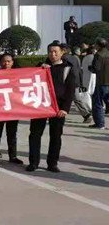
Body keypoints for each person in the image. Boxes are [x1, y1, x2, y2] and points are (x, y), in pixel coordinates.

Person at [28, 42, 76, 173]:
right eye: (50, 51)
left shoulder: (67, 69)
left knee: (55, 135)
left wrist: (65, 108)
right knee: (35, 134)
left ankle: (52, 163)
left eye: (55, 52)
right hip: (41, 105)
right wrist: (40, 69)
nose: (52, 54)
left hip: (58, 107)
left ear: (62, 52)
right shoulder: (41, 66)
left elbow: (70, 90)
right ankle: (33, 162)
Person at [0, 53, 22, 165]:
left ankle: (13, 156)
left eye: (9, 61)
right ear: (0, 62)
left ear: (12, 63)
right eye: (4, 61)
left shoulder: (17, 75)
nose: (6, 63)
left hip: (13, 109)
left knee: (12, 134)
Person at [89, 38, 109, 129]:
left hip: (101, 81)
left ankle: (100, 123)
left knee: (98, 103)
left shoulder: (98, 55)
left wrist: (90, 67)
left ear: (99, 45)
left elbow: (96, 68)